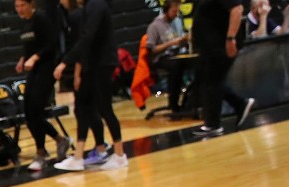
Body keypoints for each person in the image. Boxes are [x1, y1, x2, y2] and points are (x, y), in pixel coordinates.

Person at [54, 0, 128, 170]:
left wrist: (65, 62)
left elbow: (87, 37)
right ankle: (80, 156)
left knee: (104, 108)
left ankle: (119, 154)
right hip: (94, 63)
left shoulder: (97, 5)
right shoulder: (89, 7)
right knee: (86, 107)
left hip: (102, 62)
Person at [15, 0, 71, 171]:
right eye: (17, 7)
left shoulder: (41, 18)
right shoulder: (26, 23)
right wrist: (24, 58)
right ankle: (60, 139)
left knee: (36, 110)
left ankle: (41, 152)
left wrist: (36, 57)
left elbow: (51, 43)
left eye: (22, 6)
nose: (19, 10)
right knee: (28, 112)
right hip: (34, 70)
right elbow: (30, 45)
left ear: (31, 4)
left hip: (47, 68)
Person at [192, 0, 256, 136]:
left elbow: (237, 9)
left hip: (220, 45)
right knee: (210, 81)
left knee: (212, 82)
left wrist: (230, 38)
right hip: (209, 47)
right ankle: (240, 104)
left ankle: (213, 124)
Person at [146, 0, 192, 113]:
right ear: (166, 10)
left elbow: (180, 39)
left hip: (177, 54)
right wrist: (170, 44)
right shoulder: (155, 26)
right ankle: (174, 103)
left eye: (177, 11)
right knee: (176, 66)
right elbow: (151, 50)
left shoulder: (177, 21)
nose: (176, 14)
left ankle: (192, 101)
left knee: (196, 63)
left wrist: (185, 40)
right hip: (161, 58)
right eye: (173, 11)